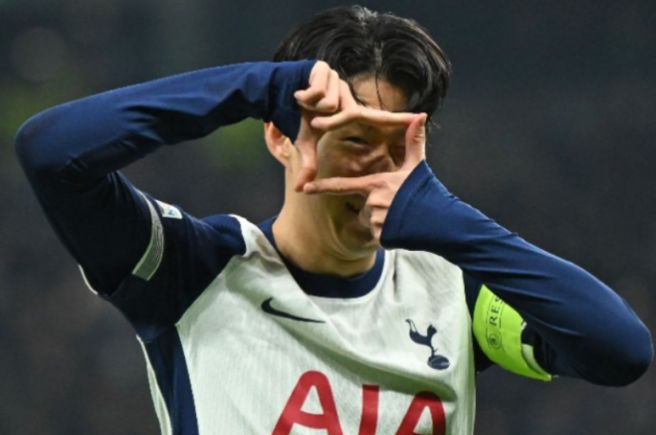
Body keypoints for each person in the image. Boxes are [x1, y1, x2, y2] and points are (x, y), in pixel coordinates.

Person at [15, 5, 653, 435]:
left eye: (397, 145)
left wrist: (452, 221)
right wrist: (256, 87)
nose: (379, 172)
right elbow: (52, 152)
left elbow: (620, 351)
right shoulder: (194, 271)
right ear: (280, 137)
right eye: (354, 140)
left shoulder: (451, 289)